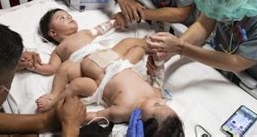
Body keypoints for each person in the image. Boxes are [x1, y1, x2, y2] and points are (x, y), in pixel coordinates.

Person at [35, 37, 184, 137]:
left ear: (140, 121)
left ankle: (55, 97)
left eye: (157, 106)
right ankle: (148, 43)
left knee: (69, 74)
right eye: (163, 104)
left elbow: (98, 115)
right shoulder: (156, 96)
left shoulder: (124, 111)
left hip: (98, 82)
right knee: (133, 46)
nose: (160, 101)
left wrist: (76, 117)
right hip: (120, 63)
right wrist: (158, 64)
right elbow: (158, 78)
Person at [34, 8, 117, 75]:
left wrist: (115, 21)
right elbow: (52, 68)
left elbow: (102, 28)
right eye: (62, 18)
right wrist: (34, 66)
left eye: (69, 16)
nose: (69, 18)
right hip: (88, 66)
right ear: (53, 32)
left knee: (128, 42)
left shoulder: (85, 32)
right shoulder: (58, 51)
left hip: (105, 56)